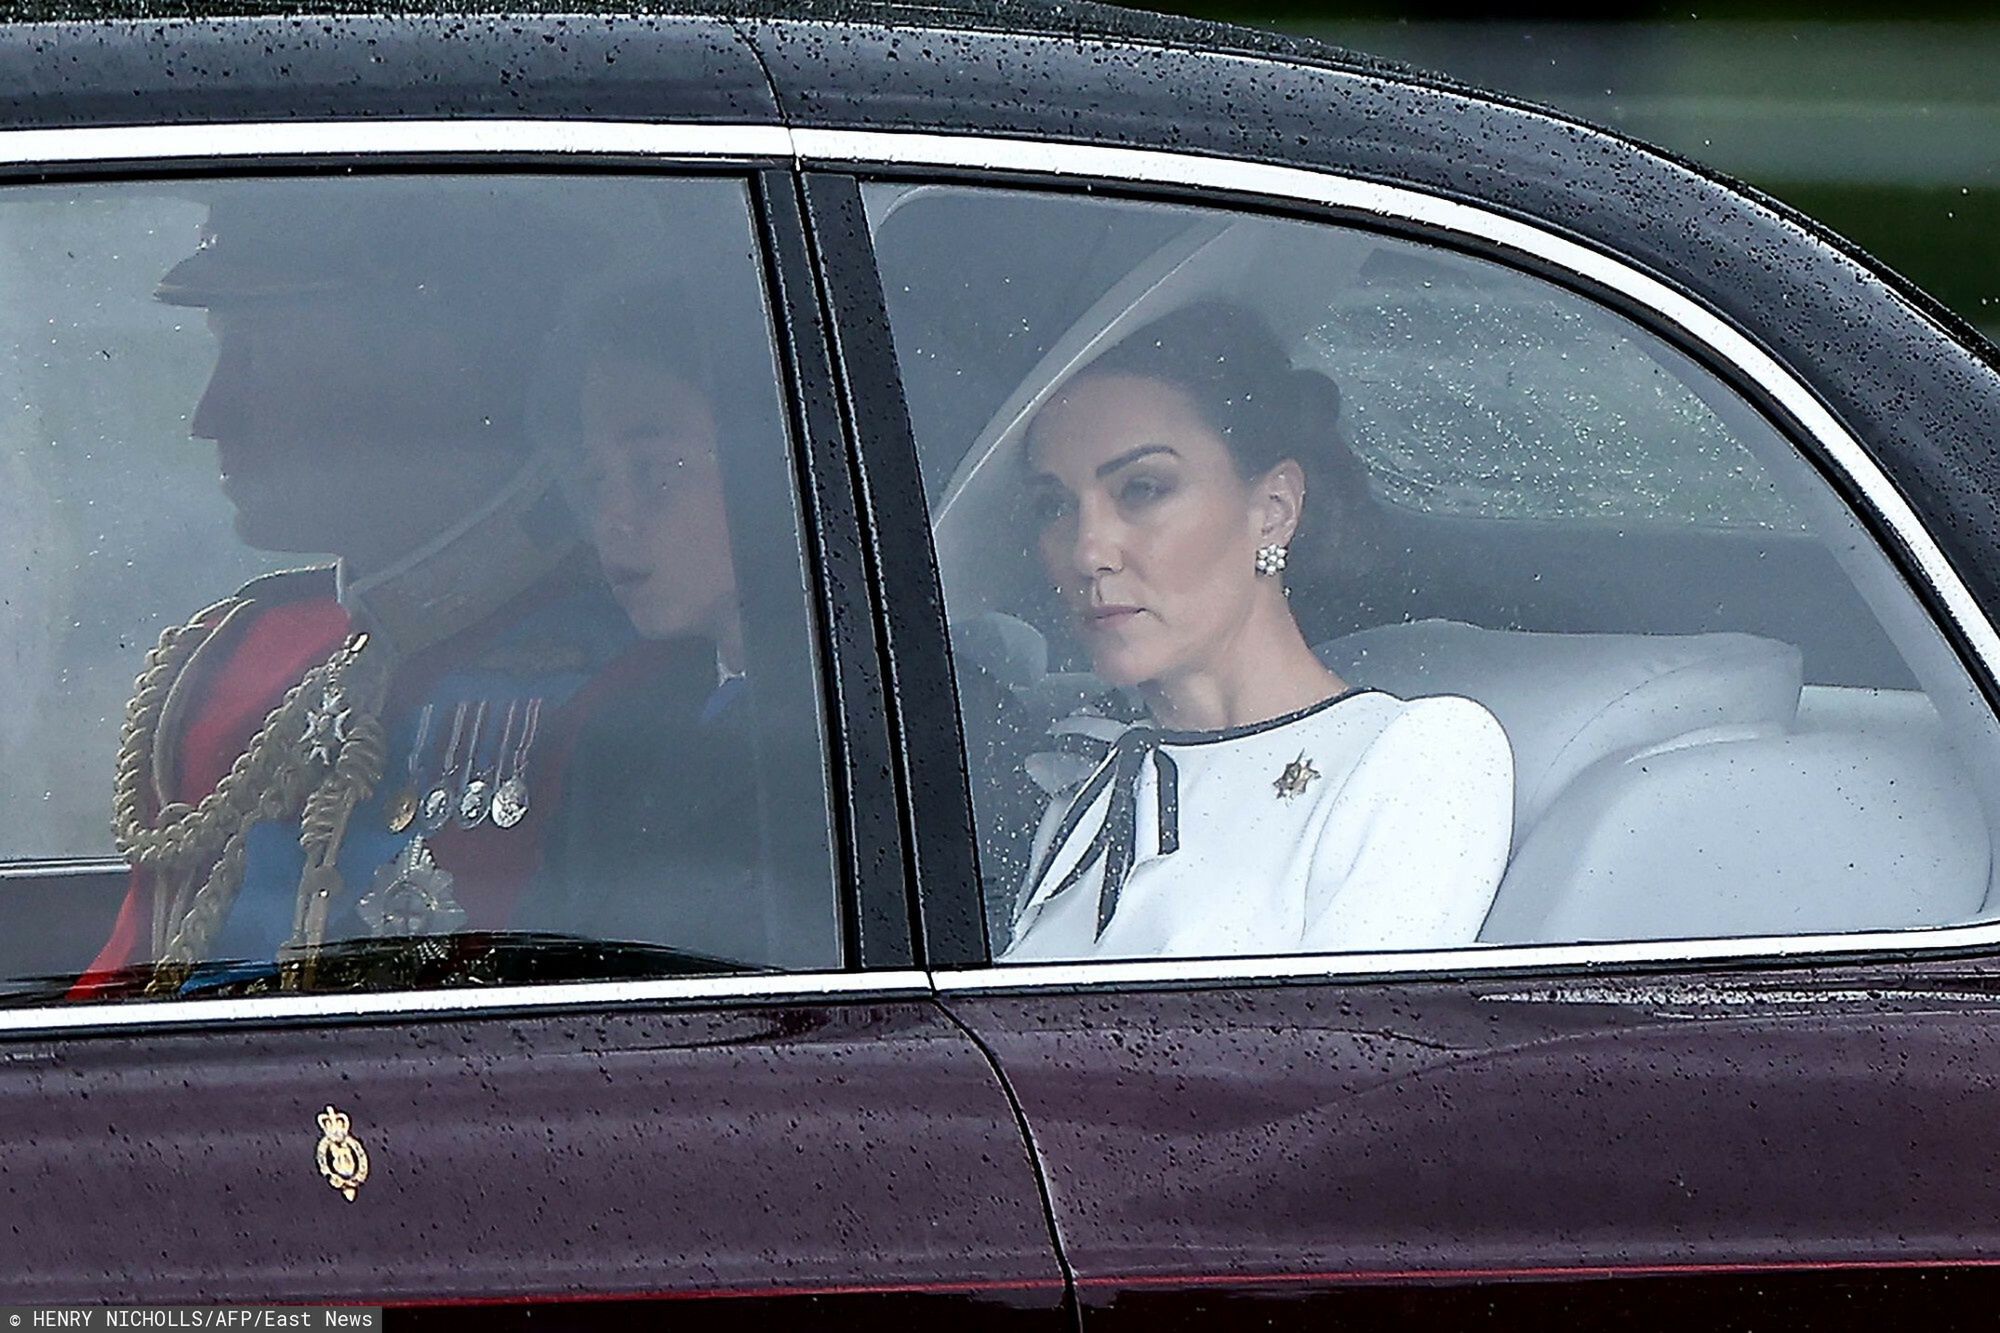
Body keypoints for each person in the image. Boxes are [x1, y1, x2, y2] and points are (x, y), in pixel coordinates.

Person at [70, 182, 639, 999]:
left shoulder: (623, 690)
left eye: (259, 356)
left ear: (429, 369)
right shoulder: (238, 666)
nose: (211, 413)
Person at [1002, 301, 1515, 962]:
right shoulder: (1096, 771)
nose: (1088, 550)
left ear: (1272, 511)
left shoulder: (1412, 758)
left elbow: (1352, 1056)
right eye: (1055, 505)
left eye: (1143, 488)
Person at [513, 285, 818, 968]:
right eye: (596, 481)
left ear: (770, 463)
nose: (611, 519)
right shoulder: (616, 737)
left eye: (655, 471)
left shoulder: (901, 720)